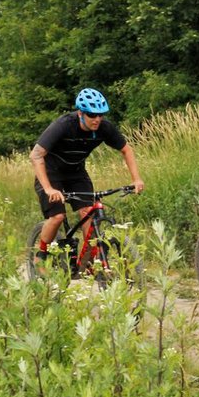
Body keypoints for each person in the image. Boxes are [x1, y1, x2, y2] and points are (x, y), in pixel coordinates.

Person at [30, 87, 145, 266]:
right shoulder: (63, 125)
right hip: (51, 172)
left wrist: (136, 179)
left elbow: (126, 149)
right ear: (80, 113)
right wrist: (48, 188)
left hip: (76, 172)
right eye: (92, 115)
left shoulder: (104, 128)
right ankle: (41, 254)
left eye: (101, 114)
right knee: (57, 216)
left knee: (88, 212)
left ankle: (91, 261)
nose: (97, 119)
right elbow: (36, 155)